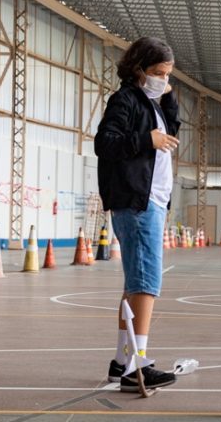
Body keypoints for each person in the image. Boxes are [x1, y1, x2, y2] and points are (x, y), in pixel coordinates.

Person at [95, 36, 181, 393]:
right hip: (137, 202)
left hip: (151, 201)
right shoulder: (125, 100)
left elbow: (170, 133)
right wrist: (147, 140)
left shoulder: (152, 102)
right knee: (146, 283)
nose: (163, 78)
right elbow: (106, 143)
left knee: (135, 285)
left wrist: (169, 98)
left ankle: (122, 361)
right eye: (158, 72)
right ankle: (136, 364)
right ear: (138, 69)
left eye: (167, 74)